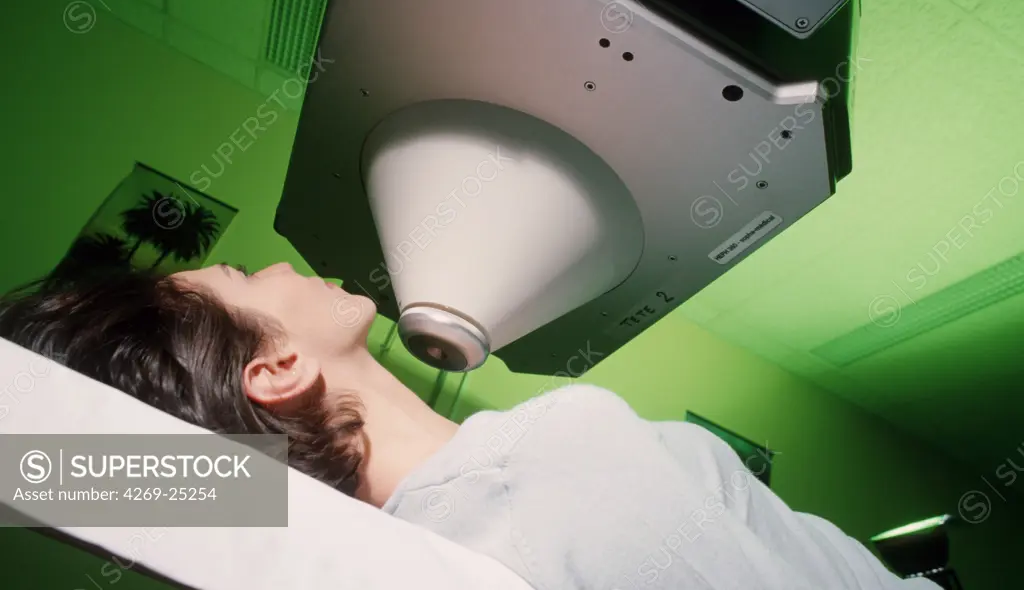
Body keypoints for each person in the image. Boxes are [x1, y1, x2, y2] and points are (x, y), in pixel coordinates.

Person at [0, 262, 937, 590]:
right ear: (279, 368)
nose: (281, 263)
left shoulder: (458, 531)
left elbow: (42, 465)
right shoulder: (551, 458)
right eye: (245, 275)